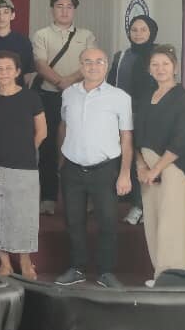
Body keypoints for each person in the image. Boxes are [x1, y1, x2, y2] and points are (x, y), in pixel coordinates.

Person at [54, 48, 132, 288]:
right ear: (81, 66)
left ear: (106, 65)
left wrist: (125, 173)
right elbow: (63, 126)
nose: (93, 66)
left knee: (107, 222)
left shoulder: (120, 97)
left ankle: (105, 272)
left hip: (105, 170)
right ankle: (77, 268)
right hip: (72, 168)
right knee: (73, 221)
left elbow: (126, 137)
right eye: (87, 61)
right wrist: (60, 161)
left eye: (99, 61)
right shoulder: (68, 94)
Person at [0, 51, 46, 280]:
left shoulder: (31, 97)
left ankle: (25, 260)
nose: (3, 73)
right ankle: (4, 264)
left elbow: (42, 131)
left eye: (8, 68)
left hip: (23, 166)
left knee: (23, 215)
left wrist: (25, 150)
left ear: (17, 71)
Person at [133, 44, 185, 285]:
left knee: (172, 223)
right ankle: (159, 275)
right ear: (149, 69)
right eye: (155, 64)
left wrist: (157, 169)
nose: (160, 68)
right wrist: (141, 166)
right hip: (147, 168)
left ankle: (175, 277)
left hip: (173, 167)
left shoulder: (183, 98)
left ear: (175, 68)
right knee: (153, 220)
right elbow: (136, 136)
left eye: (165, 64)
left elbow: (183, 138)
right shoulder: (145, 97)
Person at [32, 0, 97, 216]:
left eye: (69, 6)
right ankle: (48, 197)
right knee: (48, 147)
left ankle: (84, 198)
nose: (64, 10)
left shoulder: (86, 35)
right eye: (60, 6)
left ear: (74, 10)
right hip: (49, 96)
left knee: (81, 145)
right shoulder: (41, 34)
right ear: (52, 9)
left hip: (80, 96)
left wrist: (68, 82)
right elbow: (40, 64)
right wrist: (60, 82)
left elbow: (90, 63)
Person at [108, 15, 159, 225]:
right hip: (122, 116)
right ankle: (133, 202)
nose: (138, 34)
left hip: (149, 116)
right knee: (125, 159)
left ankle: (144, 206)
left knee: (146, 160)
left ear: (152, 32)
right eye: (134, 30)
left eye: (143, 29)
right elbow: (111, 85)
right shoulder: (121, 56)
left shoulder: (159, 54)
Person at [0, 0, 33, 87]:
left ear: (13, 15)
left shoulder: (23, 41)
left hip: (16, 91)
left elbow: (27, 74)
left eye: (6, 12)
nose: (1, 17)